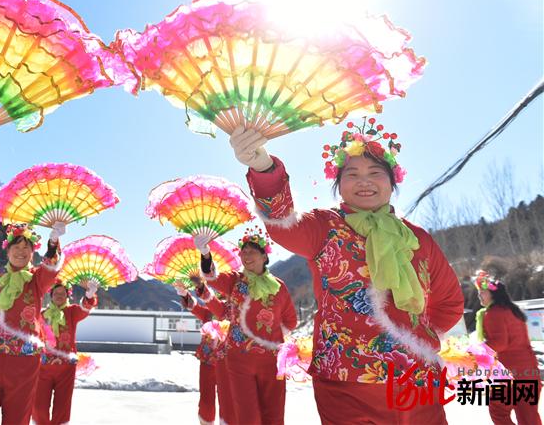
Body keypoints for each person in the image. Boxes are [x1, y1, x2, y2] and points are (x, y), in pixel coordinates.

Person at [227, 119, 464, 424]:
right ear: (339, 185)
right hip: (344, 384)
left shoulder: (418, 239)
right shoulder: (324, 226)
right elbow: (282, 223)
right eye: (351, 174)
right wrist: (263, 167)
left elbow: (450, 302)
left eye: (375, 173)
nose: (364, 181)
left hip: (414, 383)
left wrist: (415, 338)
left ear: (392, 183)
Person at [0, 221, 66, 425]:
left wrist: (53, 241)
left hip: (24, 361)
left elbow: (51, 267)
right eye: (16, 247)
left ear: (32, 253)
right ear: (7, 250)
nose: (21, 252)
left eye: (26, 248)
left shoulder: (37, 279)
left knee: (17, 417)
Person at [199, 229, 298, 425]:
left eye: (252, 251)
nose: (246, 255)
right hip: (239, 359)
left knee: (274, 414)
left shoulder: (279, 287)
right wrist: (204, 253)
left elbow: (290, 320)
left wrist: (268, 338)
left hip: (271, 361)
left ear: (264, 256)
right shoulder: (235, 281)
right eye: (243, 252)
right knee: (247, 415)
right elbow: (211, 276)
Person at [475, 271, 541, 425]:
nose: (479, 296)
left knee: (498, 411)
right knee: (528, 417)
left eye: (482, 292)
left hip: (510, 374)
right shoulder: (512, 310)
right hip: (529, 372)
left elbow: (500, 343)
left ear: (493, 294)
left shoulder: (493, 313)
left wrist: (477, 350)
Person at [32, 281, 98, 425]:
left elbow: (85, 309)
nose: (59, 296)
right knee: (38, 406)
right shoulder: (42, 315)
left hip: (66, 367)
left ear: (67, 295)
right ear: (51, 296)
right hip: (43, 367)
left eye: (62, 293)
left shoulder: (72, 312)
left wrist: (89, 295)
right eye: (56, 293)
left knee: (62, 407)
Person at [174, 278, 233, 425]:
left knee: (226, 398)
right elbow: (193, 306)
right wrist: (183, 293)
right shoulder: (209, 313)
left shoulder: (237, 315)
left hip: (228, 363)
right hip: (209, 361)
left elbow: (194, 307)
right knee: (208, 398)